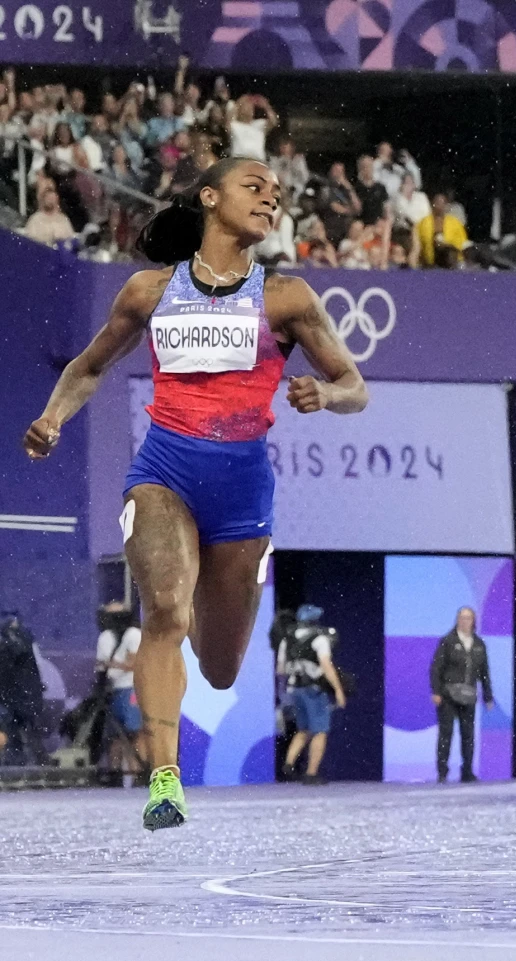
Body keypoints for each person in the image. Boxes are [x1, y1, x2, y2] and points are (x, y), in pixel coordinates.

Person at [23, 157, 368, 830]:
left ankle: (219, 607)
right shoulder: (149, 291)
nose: (270, 199)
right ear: (210, 197)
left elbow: (355, 386)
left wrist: (326, 394)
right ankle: (165, 779)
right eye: (254, 187)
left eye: (277, 194)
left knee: (218, 667)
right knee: (165, 613)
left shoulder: (287, 298)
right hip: (165, 472)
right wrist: (52, 417)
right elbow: (89, 366)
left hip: (242, 493)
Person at [277, 604, 348, 783]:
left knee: (304, 729)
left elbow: (281, 669)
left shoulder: (287, 639)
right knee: (320, 731)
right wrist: (338, 690)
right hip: (314, 690)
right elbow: (326, 666)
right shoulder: (319, 639)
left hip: (295, 689)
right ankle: (311, 773)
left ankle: (289, 763)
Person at [429, 607, 496, 783]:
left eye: (468, 618)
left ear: (473, 621)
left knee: (468, 735)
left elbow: (484, 673)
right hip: (448, 694)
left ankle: (467, 771)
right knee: (446, 733)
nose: (465, 621)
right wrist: (436, 691)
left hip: (468, 695)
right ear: (457, 620)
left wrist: (488, 696)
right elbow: (436, 668)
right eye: (462, 617)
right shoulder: (448, 641)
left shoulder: (479, 644)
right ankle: (442, 772)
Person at [95, 603, 145, 772]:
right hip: (113, 690)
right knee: (114, 736)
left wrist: (111, 664)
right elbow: (100, 666)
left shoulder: (133, 635)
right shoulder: (104, 637)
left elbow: (134, 663)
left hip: (131, 689)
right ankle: (114, 772)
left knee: (134, 733)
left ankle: (136, 772)